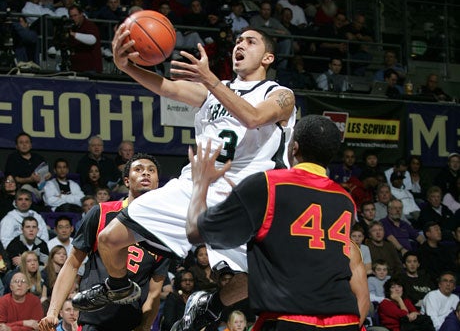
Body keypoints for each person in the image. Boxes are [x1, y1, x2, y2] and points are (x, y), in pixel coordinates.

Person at [71, 27, 297, 321]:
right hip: (196, 185)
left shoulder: (279, 94)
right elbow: (166, 87)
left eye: (250, 41)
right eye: (238, 40)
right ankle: (117, 287)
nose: (240, 44)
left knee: (261, 274)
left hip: (246, 194)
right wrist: (127, 66)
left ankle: (212, 307)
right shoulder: (211, 91)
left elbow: (253, 118)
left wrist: (211, 80)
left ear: (268, 57)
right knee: (110, 238)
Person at [184, 115, 369, 330]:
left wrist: (200, 183)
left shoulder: (269, 184)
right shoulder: (345, 200)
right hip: (344, 320)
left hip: (289, 318)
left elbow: (197, 231)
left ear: (293, 147)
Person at [38, 153, 169, 331]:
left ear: (157, 183)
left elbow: (154, 293)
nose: (145, 173)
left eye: (151, 171)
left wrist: (145, 326)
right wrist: (53, 312)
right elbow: (72, 264)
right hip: (95, 321)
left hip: (131, 324)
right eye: (138, 169)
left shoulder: (165, 231)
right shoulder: (101, 213)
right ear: (127, 181)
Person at [4, 132, 51, 201]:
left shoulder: (38, 158)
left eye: (27, 142)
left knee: (51, 185)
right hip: (24, 190)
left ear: (31, 145)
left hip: (42, 187)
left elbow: (46, 172)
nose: (24, 144)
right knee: (26, 188)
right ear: (16, 146)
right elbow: (13, 179)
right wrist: (30, 179)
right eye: (21, 142)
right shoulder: (13, 158)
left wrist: (48, 175)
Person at [66, 4, 103, 73]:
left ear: (81, 14)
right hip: (76, 68)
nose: (73, 18)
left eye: (75, 15)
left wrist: (73, 34)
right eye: (71, 16)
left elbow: (92, 40)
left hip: (90, 68)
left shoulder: (90, 25)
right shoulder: (73, 27)